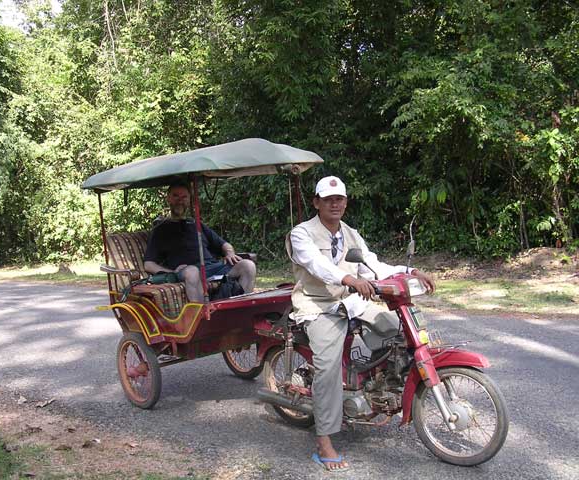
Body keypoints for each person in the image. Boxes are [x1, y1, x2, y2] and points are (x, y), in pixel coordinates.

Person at [286, 176, 435, 472]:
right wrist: (349, 279)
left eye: (339, 198)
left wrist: (411, 271)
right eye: (327, 199)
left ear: (345, 202)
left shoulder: (350, 233)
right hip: (319, 308)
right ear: (316, 202)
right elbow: (317, 264)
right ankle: (324, 442)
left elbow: (373, 264)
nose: (334, 204)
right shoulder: (301, 233)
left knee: (400, 331)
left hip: (352, 303)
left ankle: (380, 388)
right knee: (327, 367)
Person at [143, 182, 256, 302]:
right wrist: (172, 272)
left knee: (248, 266)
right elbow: (148, 265)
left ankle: (239, 311)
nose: (180, 201)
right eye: (176, 196)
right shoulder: (160, 229)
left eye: (184, 197)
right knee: (192, 272)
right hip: (187, 271)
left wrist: (230, 253)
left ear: (189, 200)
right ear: (168, 199)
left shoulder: (196, 224)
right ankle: (204, 317)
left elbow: (224, 245)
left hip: (212, 268)